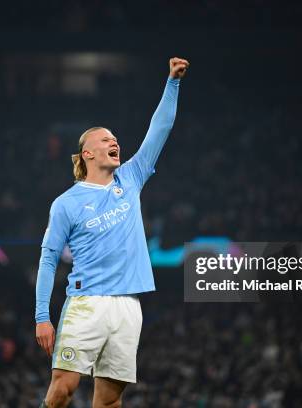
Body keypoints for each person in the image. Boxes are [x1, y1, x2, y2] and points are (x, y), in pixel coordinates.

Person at [34, 57, 189, 408]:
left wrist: (173, 82)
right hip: (87, 302)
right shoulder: (66, 204)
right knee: (63, 388)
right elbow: (48, 258)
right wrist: (43, 316)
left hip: (128, 306)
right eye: (106, 139)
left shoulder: (130, 178)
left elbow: (159, 129)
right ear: (88, 152)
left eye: (115, 138)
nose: (113, 141)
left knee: (108, 401)